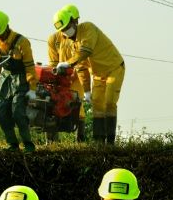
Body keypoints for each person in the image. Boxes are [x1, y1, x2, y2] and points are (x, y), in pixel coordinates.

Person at [52, 8, 124, 144]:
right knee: (97, 104)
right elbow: (81, 67)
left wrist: (68, 63)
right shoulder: (72, 44)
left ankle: (110, 141)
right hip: (98, 74)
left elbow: (86, 50)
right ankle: (98, 141)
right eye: (63, 30)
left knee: (109, 102)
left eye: (67, 27)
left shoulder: (88, 29)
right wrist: (86, 91)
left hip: (114, 68)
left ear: (74, 22)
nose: (66, 32)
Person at [0, 10, 38, 153]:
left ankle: (28, 144)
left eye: (0, 33)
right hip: (5, 78)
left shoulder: (22, 42)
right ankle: (12, 144)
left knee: (17, 111)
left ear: (7, 27)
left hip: (21, 78)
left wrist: (32, 88)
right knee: (1, 113)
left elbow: (29, 66)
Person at [47, 4, 90, 142]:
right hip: (59, 77)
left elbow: (83, 61)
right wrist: (56, 76)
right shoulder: (54, 39)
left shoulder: (82, 38)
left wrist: (73, 76)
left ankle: (80, 140)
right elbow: (53, 62)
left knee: (78, 106)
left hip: (77, 77)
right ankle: (52, 141)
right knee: (53, 104)